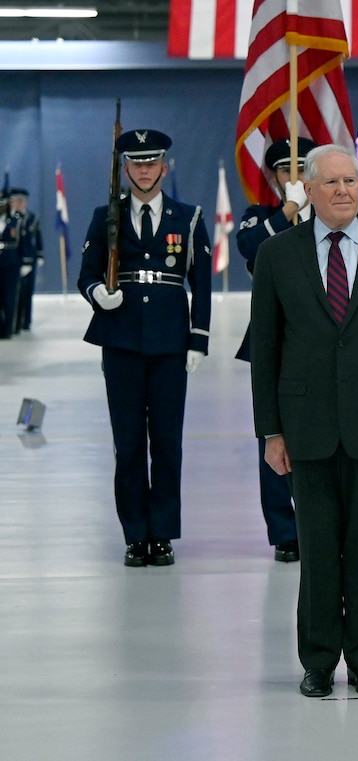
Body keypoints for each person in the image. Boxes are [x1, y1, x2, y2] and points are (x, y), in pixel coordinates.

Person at [251, 144, 358, 697]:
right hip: (306, 427)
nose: (346, 190)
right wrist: (270, 430)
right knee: (319, 550)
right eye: (332, 182)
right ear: (308, 189)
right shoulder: (278, 255)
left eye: (352, 180)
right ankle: (320, 661)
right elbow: (267, 348)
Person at [77, 129, 212, 566]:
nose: (145, 170)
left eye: (151, 162)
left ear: (164, 167)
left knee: (167, 443)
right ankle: (136, 535)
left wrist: (199, 339)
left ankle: (163, 534)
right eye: (136, 163)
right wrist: (98, 293)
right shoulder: (106, 216)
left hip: (171, 344)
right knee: (129, 444)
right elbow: (86, 273)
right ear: (125, 169)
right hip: (121, 342)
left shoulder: (187, 218)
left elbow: (203, 284)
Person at [235, 136, 317, 563]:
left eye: (304, 168)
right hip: (275, 342)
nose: (296, 176)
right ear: (275, 176)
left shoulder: (334, 219)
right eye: (287, 170)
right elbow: (250, 249)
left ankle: (320, 524)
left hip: (325, 345)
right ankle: (286, 532)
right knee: (274, 435)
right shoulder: (260, 218)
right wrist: (288, 211)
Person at [8, 188, 43, 332]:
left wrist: (40, 254)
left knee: (27, 291)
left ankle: (25, 321)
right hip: (15, 259)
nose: (20, 203)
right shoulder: (10, 218)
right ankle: (14, 323)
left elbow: (37, 237)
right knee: (15, 292)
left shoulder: (31, 218)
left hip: (30, 259)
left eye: (22, 201)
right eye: (17, 201)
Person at [0, 190, 23, 338]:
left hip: (10, 262)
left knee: (9, 296)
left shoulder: (15, 220)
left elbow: (21, 242)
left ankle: (7, 328)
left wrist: (25, 261)